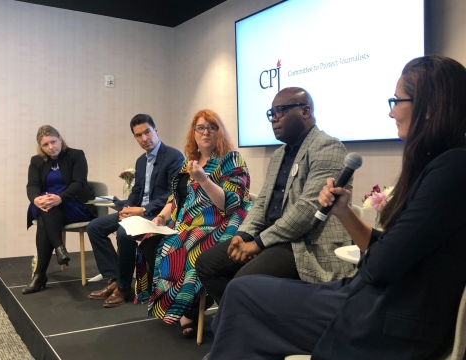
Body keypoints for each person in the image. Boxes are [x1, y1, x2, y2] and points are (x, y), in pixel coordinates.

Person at [203, 55, 466, 360]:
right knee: (236, 288)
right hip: (373, 295)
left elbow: (380, 264)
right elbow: (390, 253)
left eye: (397, 100)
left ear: (429, 108)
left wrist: (258, 243)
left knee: (242, 292)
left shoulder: (452, 168)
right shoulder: (439, 164)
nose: (392, 112)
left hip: (386, 313)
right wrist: (343, 212)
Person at [195, 87, 356, 306]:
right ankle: (244, 323)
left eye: (281, 111)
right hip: (270, 236)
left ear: (305, 111)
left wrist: (258, 244)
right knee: (207, 264)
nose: (274, 119)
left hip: (304, 243)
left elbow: (308, 210)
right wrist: (243, 235)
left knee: (243, 282)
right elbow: (262, 203)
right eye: (271, 113)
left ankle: (243, 325)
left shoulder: (327, 147)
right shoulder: (279, 153)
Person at [134, 109, 252, 335]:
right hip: (187, 221)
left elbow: (229, 204)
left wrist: (203, 179)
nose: (206, 132)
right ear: (194, 133)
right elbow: (176, 198)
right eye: (201, 128)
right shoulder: (191, 162)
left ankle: (191, 306)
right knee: (148, 241)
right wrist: (161, 217)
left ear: (220, 132)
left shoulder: (231, 159)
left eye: (212, 127)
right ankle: (184, 302)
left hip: (220, 223)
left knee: (185, 245)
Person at [87, 114, 184, 307]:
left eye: (147, 132)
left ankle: (123, 288)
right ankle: (114, 278)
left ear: (155, 131)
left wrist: (143, 209)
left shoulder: (174, 157)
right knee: (94, 227)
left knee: (124, 233)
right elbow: (137, 190)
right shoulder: (141, 161)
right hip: (138, 211)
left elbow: (173, 193)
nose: (144, 138)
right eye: (138, 135)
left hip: (158, 213)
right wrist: (127, 208)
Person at [25, 125, 96, 294]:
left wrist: (60, 198)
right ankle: (59, 248)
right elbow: (32, 185)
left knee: (44, 220)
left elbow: (79, 183)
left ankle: (40, 275)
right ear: (40, 147)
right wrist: (36, 199)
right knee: (46, 209)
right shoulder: (36, 161)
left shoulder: (76, 155)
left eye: (53, 142)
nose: (51, 147)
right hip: (45, 204)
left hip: (72, 203)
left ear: (60, 139)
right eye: (45, 145)